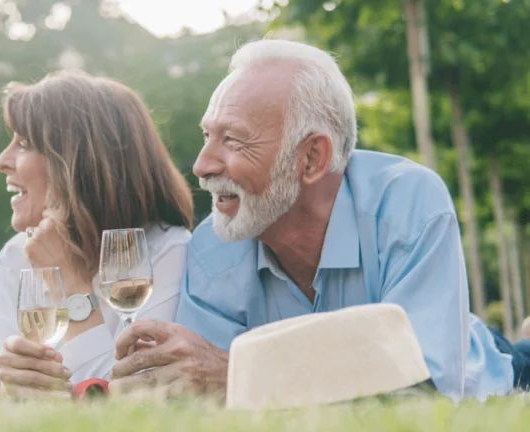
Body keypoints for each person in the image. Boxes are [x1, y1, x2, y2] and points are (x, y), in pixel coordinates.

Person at [109, 38, 530, 402]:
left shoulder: (409, 201)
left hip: (486, 365)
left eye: (232, 140)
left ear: (312, 158)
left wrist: (236, 375)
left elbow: (426, 387)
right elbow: (203, 391)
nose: (201, 165)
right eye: (207, 136)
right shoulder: (212, 246)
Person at [0, 70, 194, 403]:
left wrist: (72, 285)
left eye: (24, 144)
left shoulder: (169, 252)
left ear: (78, 163)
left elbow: (128, 405)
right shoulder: (16, 255)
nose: (1, 161)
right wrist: (10, 390)